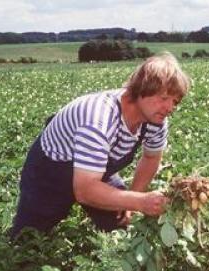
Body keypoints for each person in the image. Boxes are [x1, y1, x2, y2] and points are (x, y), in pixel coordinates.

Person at [10, 52, 191, 238]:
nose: (170, 108)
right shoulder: (100, 118)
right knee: (27, 240)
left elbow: (151, 157)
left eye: (175, 102)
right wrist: (140, 202)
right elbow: (86, 190)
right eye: (164, 98)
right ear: (143, 89)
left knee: (121, 225)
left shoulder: (156, 119)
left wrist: (132, 202)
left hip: (96, 171)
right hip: (50, 172)